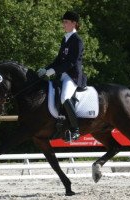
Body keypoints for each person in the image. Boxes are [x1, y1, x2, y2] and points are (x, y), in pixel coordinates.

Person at [37, 11, 87, 141]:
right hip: (62, 76)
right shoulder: (65, 39)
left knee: (64, 97)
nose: (63, 24)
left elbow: (71, 62)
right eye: (63, 22)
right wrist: (46, 69)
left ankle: (76, 129)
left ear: (74, 23)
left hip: (73, 76)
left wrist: (53, 71)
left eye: (66, 22)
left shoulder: (77, 40)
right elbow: (58, 60)